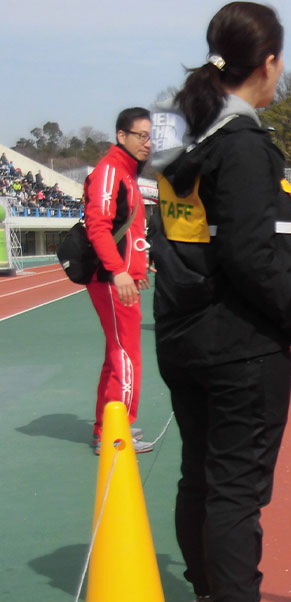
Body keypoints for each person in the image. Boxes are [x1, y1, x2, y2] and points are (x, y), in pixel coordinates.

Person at [150, 4, 291, 602]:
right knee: (233, 489)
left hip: (181, 335)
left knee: (199, 478)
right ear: (269, 63)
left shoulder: (182, 142)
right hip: (238, 344)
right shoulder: (244, 146)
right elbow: (251, 257)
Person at [85, 106, 155, 455]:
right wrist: (119, 270)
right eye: (141, 136)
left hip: (122, 278)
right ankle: (116, 431)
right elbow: (97, 225)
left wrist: (137, 269)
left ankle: (108, 424)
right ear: (121, 136)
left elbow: (130, 232)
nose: (148, 143)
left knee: (118, 354)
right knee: (126, 355)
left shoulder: (126, 174)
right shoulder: (111, 171)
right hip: (111, 279)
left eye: (149, 136)